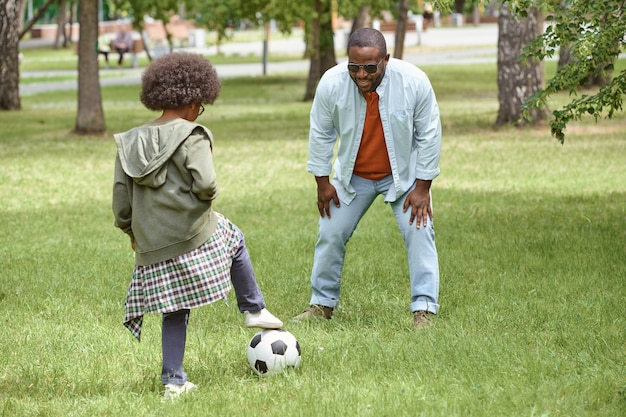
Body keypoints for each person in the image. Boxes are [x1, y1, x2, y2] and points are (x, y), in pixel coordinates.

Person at [112, 52, 283, 399]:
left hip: (152, 243)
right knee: (234, 238)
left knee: (174, 308)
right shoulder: (194, 135)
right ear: (192, 101)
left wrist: (132, 233)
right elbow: (205, 185)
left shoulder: (129, 142)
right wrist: (201, 199)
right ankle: (253, 308)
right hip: (191, 233)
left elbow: (121, 202)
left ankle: (173, 381)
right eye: (200, 105)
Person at [293, 28, 442, 328]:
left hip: (403, 177)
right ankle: (322, 305)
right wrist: (322, 183)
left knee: (419, 231)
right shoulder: (332, 84)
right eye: (354, 66)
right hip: (352, 177)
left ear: (386, 60)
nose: (361, 74)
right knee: (330, 233)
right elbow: (321, 134)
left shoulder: (413, 81)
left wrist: (422, 187)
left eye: (370, 67)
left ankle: (423, 309)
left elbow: (429, 134)